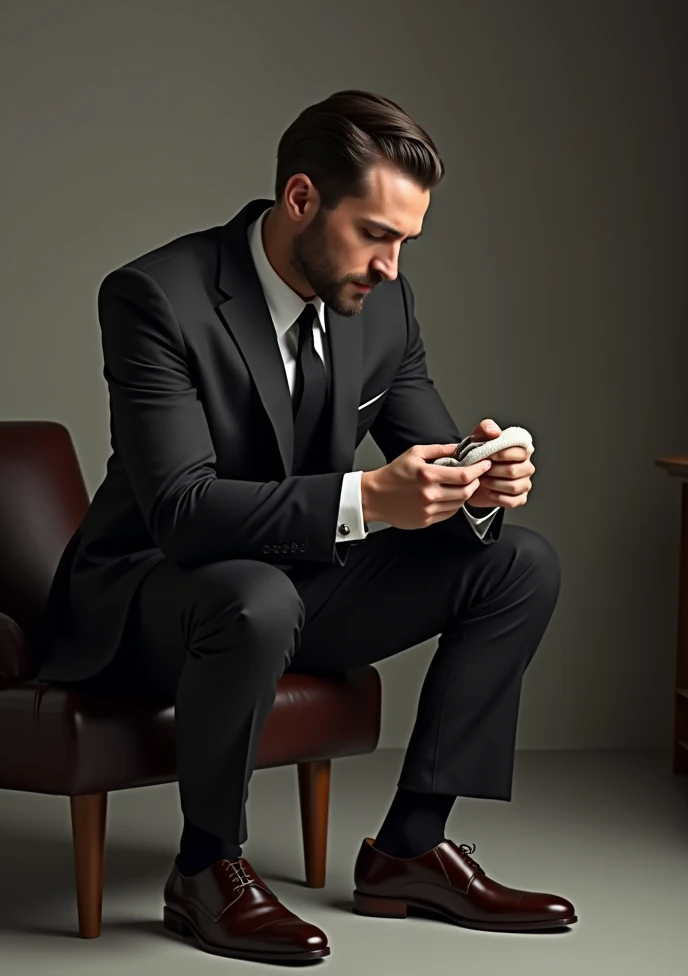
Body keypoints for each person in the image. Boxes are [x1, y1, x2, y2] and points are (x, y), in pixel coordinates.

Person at [37, 89, 575, 964]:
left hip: (293, 584)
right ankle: (206, 869)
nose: (392, 267)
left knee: (519, 564)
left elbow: (421, 456)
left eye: (407, 241)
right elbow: (180, 507)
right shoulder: (155, 298)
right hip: (149, 593)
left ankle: (410, 849)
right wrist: (367, 499)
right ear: (300, 200)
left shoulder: (384, 307)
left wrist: (476, 484)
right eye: (375, 234)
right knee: (256, 597)